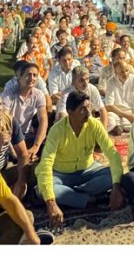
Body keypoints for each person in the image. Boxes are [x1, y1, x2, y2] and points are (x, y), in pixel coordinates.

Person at [36, 91, 124, 228]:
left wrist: (116, 187)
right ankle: (90, 198)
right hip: (61, 175)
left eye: (89, 107)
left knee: (114, 175)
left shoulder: (94, 124)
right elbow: (45, 164)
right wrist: (51, 203)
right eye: (82, 109)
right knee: (42, 190)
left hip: (88, 170)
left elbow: (112, 153)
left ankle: (73, 196)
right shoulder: (56, 130)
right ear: (70, 112)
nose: (88, 113)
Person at [1, 63, 48, 162]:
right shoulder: (8, 94)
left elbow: (43, 120)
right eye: (28, 75)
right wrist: (13, 151)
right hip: (9, 136)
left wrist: (36, 146)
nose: (32, 78)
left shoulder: (38, 94)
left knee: (48, 144)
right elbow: (3, 124)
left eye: (35, 75)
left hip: (25, 135)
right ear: (20, 77)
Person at [104, 61, 134, 135]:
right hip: (117, 113)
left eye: (127, 70)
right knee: (110, 120)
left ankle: (119, 127)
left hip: (133, 111)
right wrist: (127, 116)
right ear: (115, 72)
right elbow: (109, 106)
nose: (125, 74)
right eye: (122, 72)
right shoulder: (111, 82)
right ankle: (120, 126)